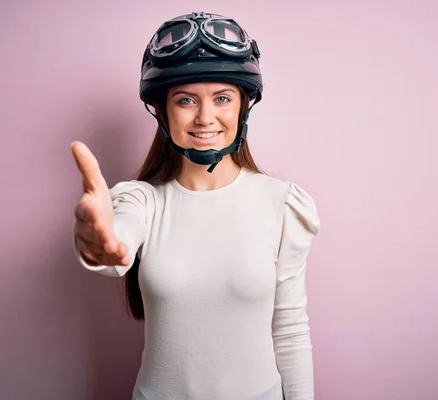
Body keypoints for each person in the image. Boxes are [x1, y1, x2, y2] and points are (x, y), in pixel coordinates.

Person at [71, 11, 320, 400]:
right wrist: (99, 244)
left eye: (222, 98)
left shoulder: (282, 203)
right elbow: (115, 247)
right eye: (186, 100)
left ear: (243, 106)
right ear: (163, 112)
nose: (206, 117)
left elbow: (289, 329)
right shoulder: (142, 200)